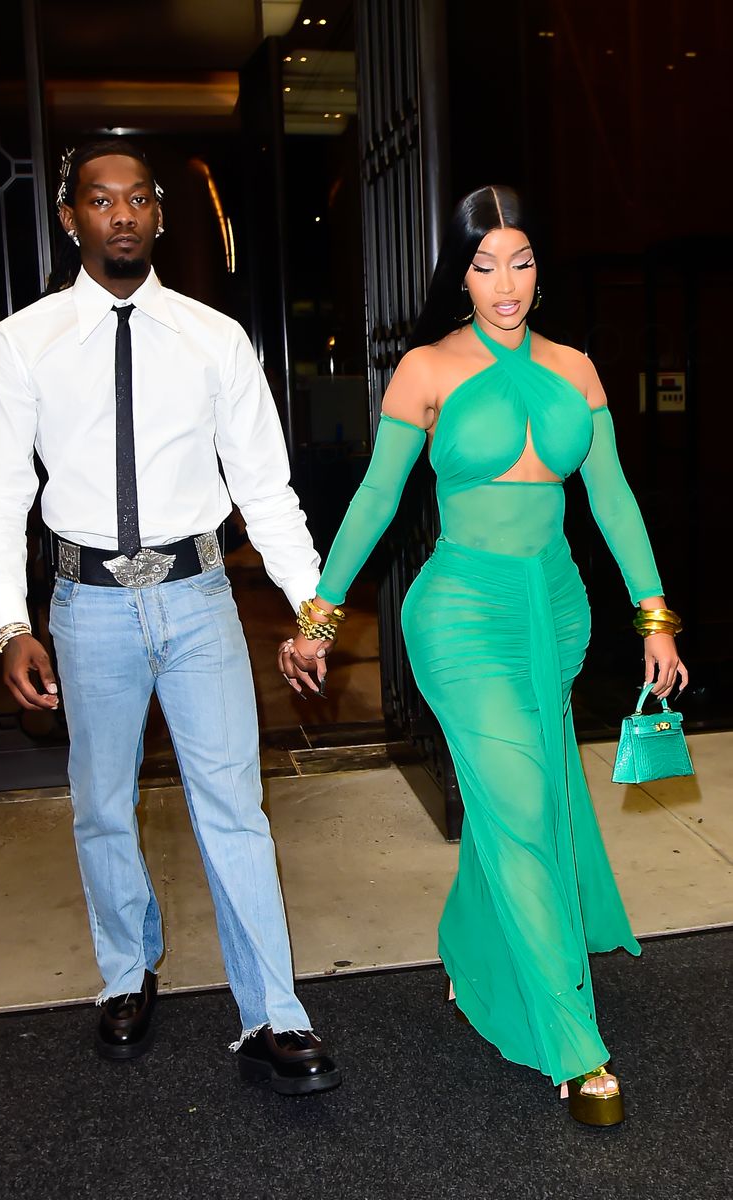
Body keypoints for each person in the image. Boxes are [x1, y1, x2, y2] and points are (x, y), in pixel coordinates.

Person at [278, 185, 687, 1125]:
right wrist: (322, 617)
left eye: (523, 260)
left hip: (557, 610)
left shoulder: (578, 368)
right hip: (461, 614)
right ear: (459, 274)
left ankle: (470, 951)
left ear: (541, 269)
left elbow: (613, 499)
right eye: (484, 263)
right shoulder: (425, 369)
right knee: (526, 803)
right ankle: (574, 1047)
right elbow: (378, 499)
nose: (506, 284)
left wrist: (653, 616)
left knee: (515, 809)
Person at [0, 140, 341, 1094]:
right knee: (101, 807)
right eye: (99, 199)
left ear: (160, 216)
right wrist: (10, 621)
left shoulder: (215, 338)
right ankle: (126, 973)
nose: (120, 214)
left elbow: (265, 484)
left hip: (201, 599)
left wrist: (311, 610)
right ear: (70, 219)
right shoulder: (24, 342)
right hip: (85, 607)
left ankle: (274, 1014)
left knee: (234, 811)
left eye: (137, 199)